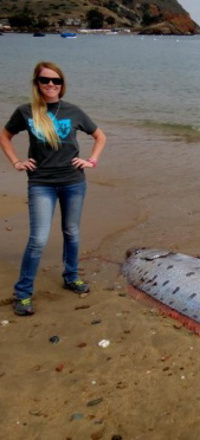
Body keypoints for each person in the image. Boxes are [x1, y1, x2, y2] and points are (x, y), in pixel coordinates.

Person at [0, 61, 106, 316]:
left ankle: (71, 276)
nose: (50, 85)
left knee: (71, 232)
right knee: (38, 239)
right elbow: (4, 135)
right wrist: (16, 161)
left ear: (62, 84)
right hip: (41, 183)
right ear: (37, 83)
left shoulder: (73, 111)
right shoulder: (26, 111)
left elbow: (100, 136)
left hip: (73, 181)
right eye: (45, 80)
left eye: (55, 81)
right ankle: (23, 294)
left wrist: (91, 160)